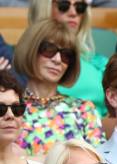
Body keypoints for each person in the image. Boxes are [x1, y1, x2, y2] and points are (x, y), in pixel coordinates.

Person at [13, 19, 104, 155]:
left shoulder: (84, 110)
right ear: (31, 50)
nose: (57, 59)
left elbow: (99, 163)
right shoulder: (8, 110)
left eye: (66, 55)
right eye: (49, 49)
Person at [29, 0, 109, 116]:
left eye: (80, 7)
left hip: (96, 131)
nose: (73, 13)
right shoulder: (25, 62)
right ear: (44, 7)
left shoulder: (100, 65)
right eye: (64, 5)